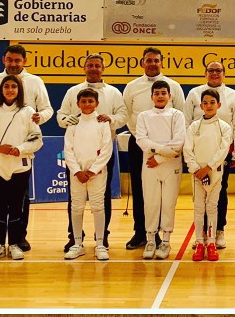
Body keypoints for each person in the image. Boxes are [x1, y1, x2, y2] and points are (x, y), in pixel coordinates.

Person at [0, 43, 53, 253]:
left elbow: (47, 110)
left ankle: (19, 237)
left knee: (21, 198)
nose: (13, 64)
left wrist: (37, 118)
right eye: (9, 59)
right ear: (4, 60)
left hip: (21, 149)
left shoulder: (35, 82)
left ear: (24, 61)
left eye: (17, 60)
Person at [57, 53, 126, 252]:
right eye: (90, 65)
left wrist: (110, 119)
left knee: (102, 197)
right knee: (75, 199)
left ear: (103, 69)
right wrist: (69, 121)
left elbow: (123, 115)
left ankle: (102, 237)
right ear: (84, 68)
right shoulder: (73, 91)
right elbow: (61, 116)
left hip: (102, 155)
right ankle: (75, 237)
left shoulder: (113, 92)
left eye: (97, 65)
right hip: (77, 157)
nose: (93, 69)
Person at [122, 47, 185, 251]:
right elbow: (127, 114)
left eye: (156, 60)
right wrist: (144, 142)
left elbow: (181, 116)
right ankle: (142, 233)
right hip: (139, 143)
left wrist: (163, 151)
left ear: (161, 62)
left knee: (165, 196)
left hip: (169, 151)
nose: (152, 64)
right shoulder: (132, 87)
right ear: (142, 63)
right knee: (141, 191)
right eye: (148, 60)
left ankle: (161, 237)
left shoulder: (174, 86)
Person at [184, 62, 235, 250]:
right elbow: (186, 123)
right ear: (205, 73)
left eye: (218, 70)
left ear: (224, 74)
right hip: (197, 155)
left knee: (220, 193)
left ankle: (218, 231)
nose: (215, 73)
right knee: (200, 197)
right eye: (211, 70)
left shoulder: (233, 95)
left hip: (221, 155)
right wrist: (191, 159)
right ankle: (201, 233)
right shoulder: (194, 93)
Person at [135, 80, 185, 260]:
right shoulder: (143, 116)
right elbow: (141, 140)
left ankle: (165, 241)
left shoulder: (177, 115)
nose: (160, 96)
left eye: (164, 93)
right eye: (157, 93)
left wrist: (158, 157)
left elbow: (178, 143)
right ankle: (150, 240)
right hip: (149, 165)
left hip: (170, 165)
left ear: (169, 96)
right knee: (151, 202)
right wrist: (161, 152)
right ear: (151, 97)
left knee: (169, 203)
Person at [63, 89, 112, 262]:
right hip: (77, 174)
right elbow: (68, 149)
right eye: (83, 101)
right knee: (76, 207)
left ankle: (100, 244)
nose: (87, 104)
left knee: (98, 207)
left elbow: (106, 149)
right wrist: (77, 171)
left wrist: (92, 170)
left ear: (97, 103)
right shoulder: (73, 124)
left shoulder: (103, 123)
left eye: (90, 101)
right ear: (78, 104)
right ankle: (77, 244)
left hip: (97, 174)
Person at [183, 88, 233, 262]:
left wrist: (208, 168)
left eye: (212, 102)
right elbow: (187, 149)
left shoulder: (224, 127)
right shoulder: (194, 127)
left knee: (212, 207)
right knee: (198, 208)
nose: (209, 106)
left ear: (218, 105)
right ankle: (199, 242)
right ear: (201, 106)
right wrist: (195, 168)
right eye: (205, 103)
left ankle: (211, 243)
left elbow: (223, 150)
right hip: (197, 174)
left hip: (215, 174)